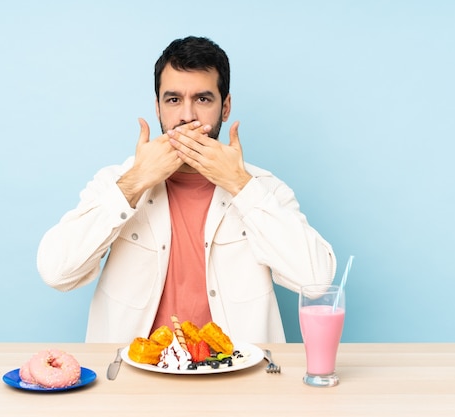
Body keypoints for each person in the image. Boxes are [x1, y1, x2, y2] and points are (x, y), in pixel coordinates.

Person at [37, 36, 336, 344]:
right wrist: (135, 181)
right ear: (157, 108)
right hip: (132, 381)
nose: (187, 116)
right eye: (173, 100)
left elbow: (316, 281)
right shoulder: (117, 181)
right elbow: (56, 272)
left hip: (238, 382)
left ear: (225, 107)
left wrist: (239, 185)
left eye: (203, 99)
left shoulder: (262, 188)